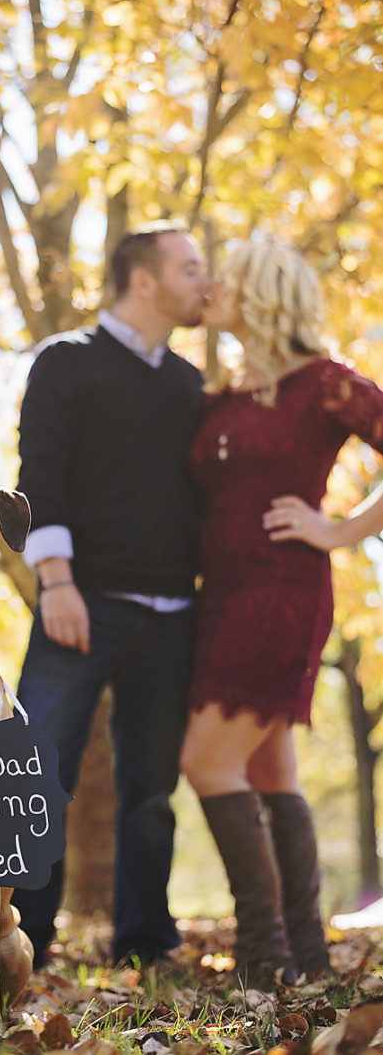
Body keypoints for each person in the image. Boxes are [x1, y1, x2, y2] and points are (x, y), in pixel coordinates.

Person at [180, 239, 383, 985]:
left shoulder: (327, 385)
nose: (211, 288)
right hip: (219, 597)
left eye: (225, 277)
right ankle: (302, 957)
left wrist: (338, 530)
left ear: (261, 292)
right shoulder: (225, 393)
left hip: (282, 595)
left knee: (204, 760)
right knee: (268, 770)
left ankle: (262, 957)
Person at [12, 224, 211, 967]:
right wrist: (55, 580)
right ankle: (24, 939)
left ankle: (143, 941)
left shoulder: (189, 383)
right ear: (144, 280)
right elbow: (40, 474)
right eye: (191, 269)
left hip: (171, 616)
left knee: (150, 791)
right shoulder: (66, 362)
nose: (205, 283)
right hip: (79, 601)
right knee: (38, 770)